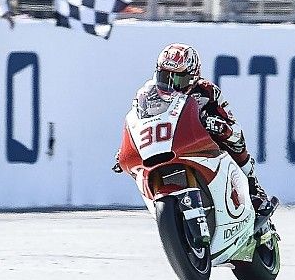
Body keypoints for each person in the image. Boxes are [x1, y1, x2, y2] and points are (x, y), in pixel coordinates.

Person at [115, 43, 276, 216]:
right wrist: (125, 150)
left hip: (201, 140)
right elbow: (138, 120)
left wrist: (221, 127)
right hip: (169, 143)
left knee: (236, 139)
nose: (171, 85)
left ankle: (254, 189)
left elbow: (232, 124)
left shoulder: (208, 91)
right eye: (165, 77)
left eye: (177, 79)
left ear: (193, 77)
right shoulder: (147, 93)